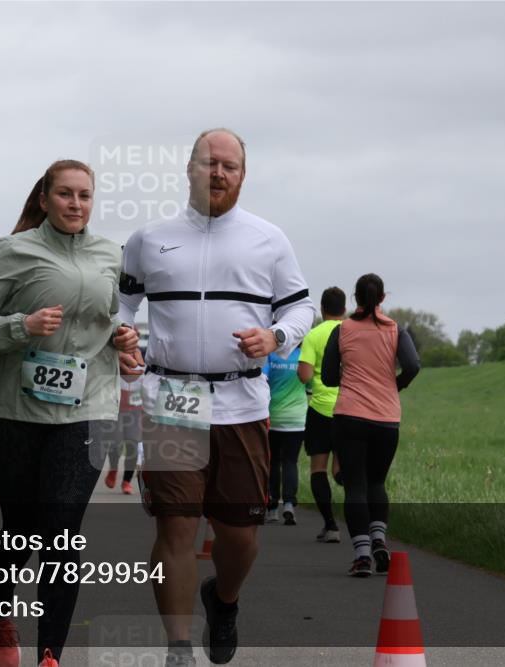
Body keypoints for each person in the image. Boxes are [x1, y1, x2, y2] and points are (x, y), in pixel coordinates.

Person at [117, 129, 314, 666]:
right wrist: (123, 337)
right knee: (177, 527)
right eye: (209, 163)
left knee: (241, 536)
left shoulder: (268, 239)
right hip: (172, 397)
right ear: (189, 168)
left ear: (243, 175)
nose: (218, 173)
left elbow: (301, 308)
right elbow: (119, 302)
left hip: (241, 402)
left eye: (229, 165)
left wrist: (276, 337)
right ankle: (178, 649)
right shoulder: (149, 239)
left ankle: (223, 600)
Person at [0, 158, 138, 667]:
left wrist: (125, 342)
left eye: (84, 196)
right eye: (65, 195)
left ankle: (51, 654)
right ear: (44, 199)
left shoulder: (109, 255)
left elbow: (109, 321)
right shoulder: (11, 251)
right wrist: (21, 326)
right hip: (16, 409)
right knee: (21, 527)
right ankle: (0, 614)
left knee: (61, 530)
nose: (75, 204)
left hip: (89, 407)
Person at [321, 273, 420, 577]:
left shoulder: (343, 330)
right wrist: (396, 385)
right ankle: (379, 539)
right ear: (382, 299)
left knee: (355, 485)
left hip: (350, 417)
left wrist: (348, 379)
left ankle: (362, 556)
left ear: (356, 298)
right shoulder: (396, 331)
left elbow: (327, 376)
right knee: (376, 483)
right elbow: (413, 364)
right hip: (386, 420)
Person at [297, 287, 346, 543]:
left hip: (319, 409)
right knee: (342, 467)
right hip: (349, 410)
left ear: (323, 309)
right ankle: (359, 510)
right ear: (345, 309)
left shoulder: (314, 335)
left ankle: (331, 526)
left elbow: (304, 375)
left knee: (318, 469)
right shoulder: (352, 333)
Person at [263, 346, 307, 525]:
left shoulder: (271, 355)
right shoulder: (303, 355)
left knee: (273, 462)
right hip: (296, 419)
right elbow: (308, 382)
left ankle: (272, 508)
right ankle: (289, 504)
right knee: (290, 462)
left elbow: (263, 379)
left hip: (273, 417)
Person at [104, 374, 143, 494]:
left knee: (133, 446)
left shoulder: (145, 360)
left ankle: (127, 481)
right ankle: (114, 468)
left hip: (136, 410)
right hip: (117, 409)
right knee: (116, 443)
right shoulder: (117, 356)